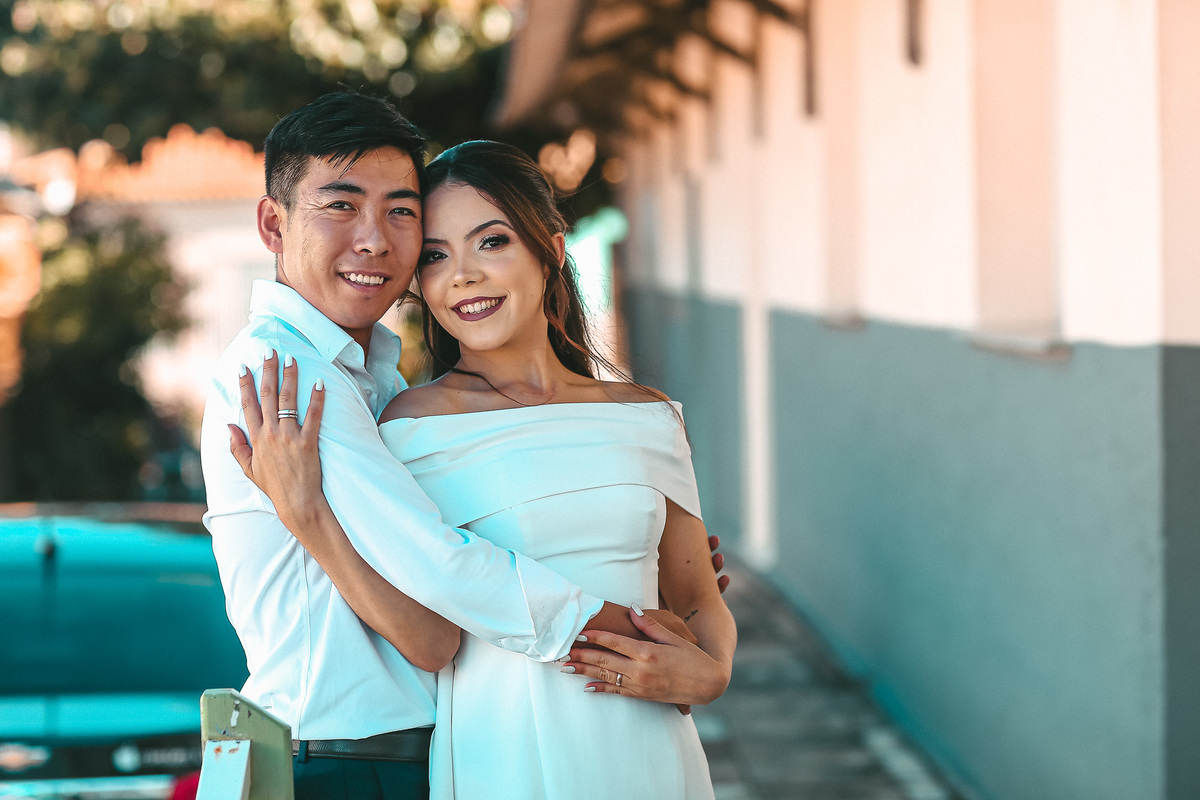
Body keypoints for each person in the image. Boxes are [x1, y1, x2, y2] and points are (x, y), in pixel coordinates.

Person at [201, 91, 722, 800]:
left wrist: (689, 639)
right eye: (341, 205)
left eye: (400, 213)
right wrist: (630, 630)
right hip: (349, 757)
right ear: (273, 221)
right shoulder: (290, 378)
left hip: (424, 754)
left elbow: (690, 594)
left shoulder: (373, 381)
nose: (375, 239)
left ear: (550, 252)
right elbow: (440, 610)